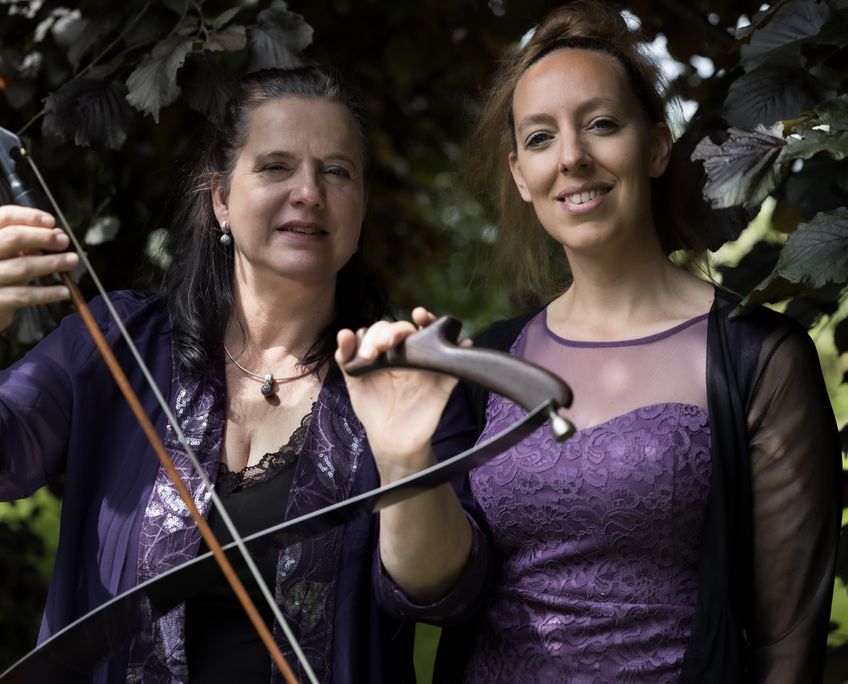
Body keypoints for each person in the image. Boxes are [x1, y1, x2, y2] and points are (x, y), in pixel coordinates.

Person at [0, 66, 482, 683]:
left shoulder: (402, 377)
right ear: (221, 199)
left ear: (360, 207)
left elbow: (442, 593)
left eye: (337, 171)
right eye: (276, 166)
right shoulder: (120, 340)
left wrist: (404, 459)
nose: (309, 191)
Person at [338, 2, 841, 682]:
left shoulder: (759, 357)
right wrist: (404, 459)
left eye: (601, 124)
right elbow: (438, 595)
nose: (572, 157)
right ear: (521, 175)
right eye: (540, 138)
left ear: (656, 146)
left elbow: (788, 642)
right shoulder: (490, 360)